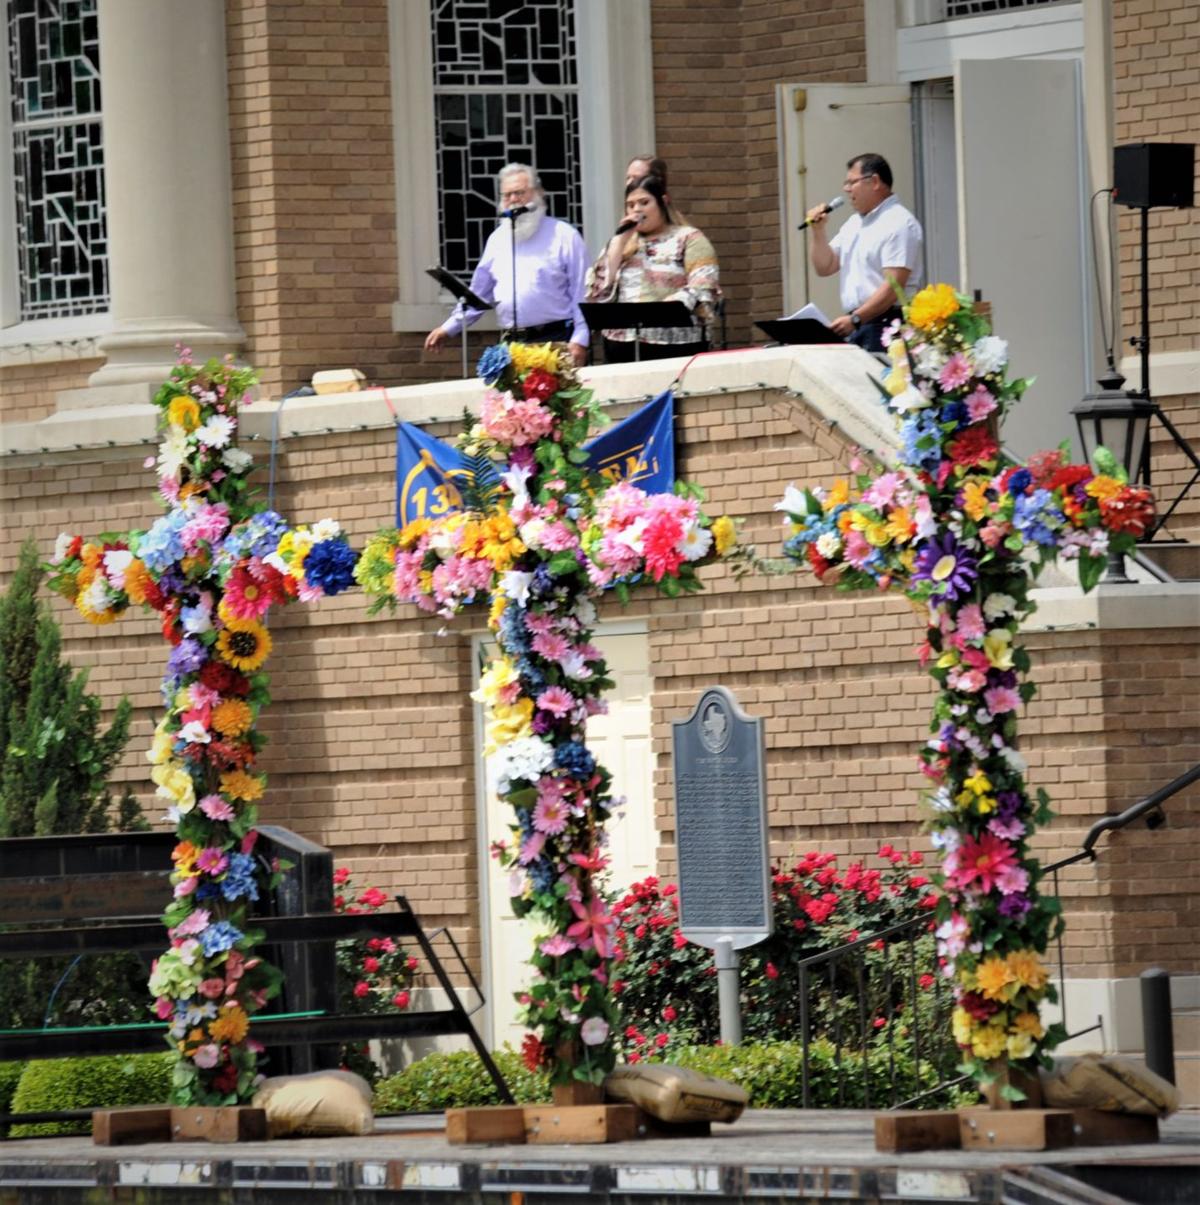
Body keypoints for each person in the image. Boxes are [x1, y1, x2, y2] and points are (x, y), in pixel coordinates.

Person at [424, 163, 589, 366]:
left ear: (538, 193)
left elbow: (581, 293)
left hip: (556, 339)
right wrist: (448, 328)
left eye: (519, 193)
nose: (513, 200)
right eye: (507, 195)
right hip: (511, 345)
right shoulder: (497, 240)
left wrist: (580, 339)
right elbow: (478, 296)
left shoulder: (564, 235)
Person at [585, 173, 720, 363]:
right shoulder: (621, 243)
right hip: (622, 345)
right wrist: (618, 244)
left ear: (663, 202)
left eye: (644, 202)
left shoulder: (689, 238)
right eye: (631, 205)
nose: (636, 209)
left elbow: (703, 284)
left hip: (675, 344)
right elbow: (598, 294)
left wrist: (666, 308)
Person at [805, 152, 923, 353]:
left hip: (886, 324)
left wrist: (856, 319)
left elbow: (893, 287)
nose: (846, 189)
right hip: (859, 322)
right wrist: (818, 231)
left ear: (874, 181)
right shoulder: (854, 223)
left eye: (852, 182)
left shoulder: (899, 222)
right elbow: (825, 266)